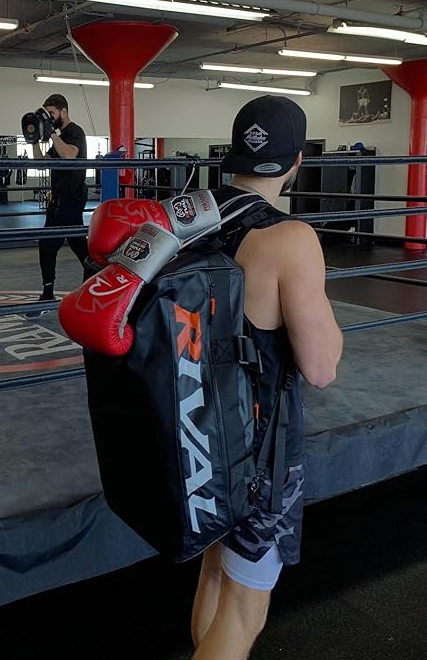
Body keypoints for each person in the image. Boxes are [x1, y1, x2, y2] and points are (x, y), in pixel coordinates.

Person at [190, 95, 343, 660]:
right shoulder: (289, 238)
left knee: (213, 569)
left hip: (198, 430)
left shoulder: (190, 216)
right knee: (244, 609)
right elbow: (322, 367)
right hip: (259, 449)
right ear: (297, 160)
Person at [30, 93, 89, 303]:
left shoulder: (74, 132)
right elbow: (41, 162)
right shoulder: (59, 136)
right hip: (58, 199)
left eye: (52, 114)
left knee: (50, 245)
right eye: (48, 115)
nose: (50, 118)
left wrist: (53, 133)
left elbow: (69, 155)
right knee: (77, 245)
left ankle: (48, 295)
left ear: (63, 111)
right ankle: (97, 283)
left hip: (71, 199)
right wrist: (34, 140)